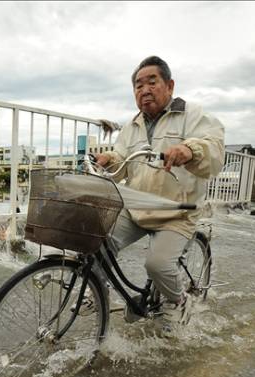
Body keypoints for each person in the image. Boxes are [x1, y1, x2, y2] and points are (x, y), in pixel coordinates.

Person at [96, 55, 225, 324]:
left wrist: (189, 150)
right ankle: (97, 295)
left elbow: (213, 150)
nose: (144, 90)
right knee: (95, 243)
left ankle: (179, 300)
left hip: (177, 212)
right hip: (138, 207)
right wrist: (110, 160)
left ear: (170, 85)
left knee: (157, 265)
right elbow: (122, 162)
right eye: (138, 85)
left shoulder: (193, 114)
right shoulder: (133, 125)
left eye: (152, 82)